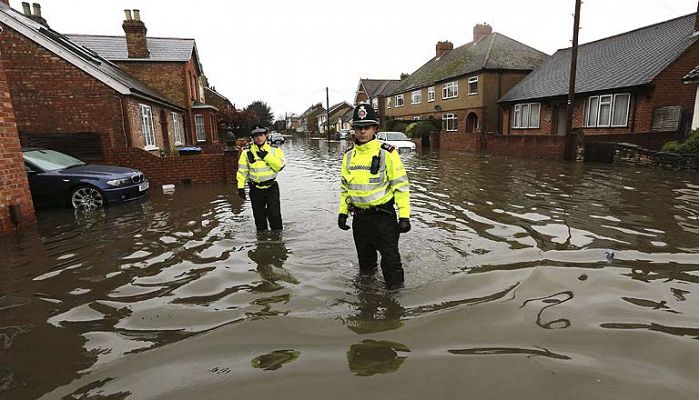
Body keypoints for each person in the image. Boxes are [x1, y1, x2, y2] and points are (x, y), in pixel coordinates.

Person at [337, 103, 411, 290]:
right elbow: (345, 188)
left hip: (383, 218)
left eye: (366, 127)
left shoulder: (388, 153)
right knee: (366, 269)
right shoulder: (347, 156)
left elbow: (401, 186)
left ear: (375, 128)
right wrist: (343, 213)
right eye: (358, 127)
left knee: (392, 266)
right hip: (360, 221)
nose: (362, 132)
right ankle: (367, 302)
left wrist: (404, 217)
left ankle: (396, 307)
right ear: (353, 129)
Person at [237, 127, 286, 231]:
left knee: (275, 216)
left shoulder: (275, 150)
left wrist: (267, 157)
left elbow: (280, 166)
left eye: (261, 135)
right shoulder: (246, 153)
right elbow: (242, 171)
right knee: (259, 218)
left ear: (266, 136)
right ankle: (262, 242)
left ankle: (277, 241)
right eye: (256, 136)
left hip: (271, 188)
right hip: (255, 190)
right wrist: (240, 187)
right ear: (253, 138)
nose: (259, 138)